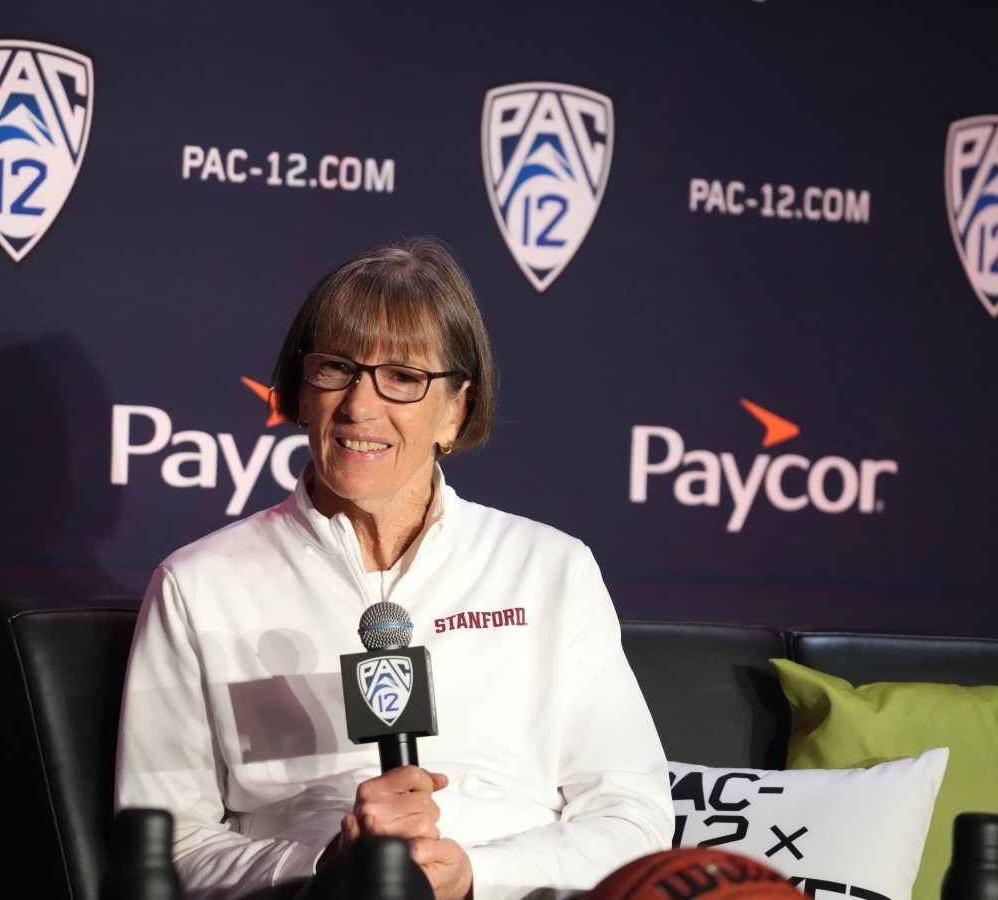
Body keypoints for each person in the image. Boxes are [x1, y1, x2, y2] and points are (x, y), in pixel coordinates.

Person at [114, 237, 673, 900]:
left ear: (456, 411)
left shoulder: (550, 569)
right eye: (336, 369)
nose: (359, 406)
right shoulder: (200, 585)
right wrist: (325, 868)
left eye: (403, 378)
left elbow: (632, 820)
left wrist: (477, 874)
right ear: (299, 389)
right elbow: (165, 846)